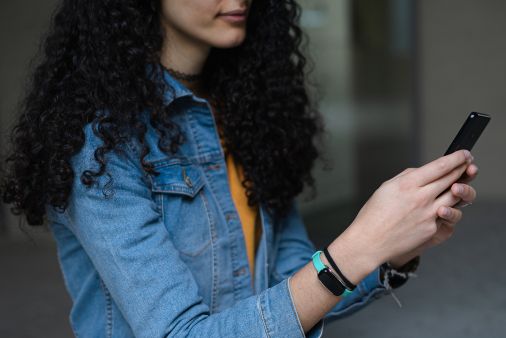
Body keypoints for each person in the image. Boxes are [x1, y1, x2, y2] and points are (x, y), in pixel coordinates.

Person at [0, 0, 478, 337]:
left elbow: (292, 286)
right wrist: (358, 247)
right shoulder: (100, 140)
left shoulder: (250, 113)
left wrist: (389, 252)